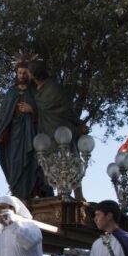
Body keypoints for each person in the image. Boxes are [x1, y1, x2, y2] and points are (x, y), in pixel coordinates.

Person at [25, 59, 87, 199]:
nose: (27, 73)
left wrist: (32, 109)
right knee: (50, 161)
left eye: (29, 71)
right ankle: (61, 192)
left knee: (68, 159)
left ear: (34, 74)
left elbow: (66, 109)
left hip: (60, 129)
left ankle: (77, 194)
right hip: (47, 130)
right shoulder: (37, 89)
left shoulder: (53, 89)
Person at [0, 59, 44, 200]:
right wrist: (1, 136)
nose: (22, 76)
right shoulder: (11, 93)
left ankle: (34, 193)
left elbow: (46, 111)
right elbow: (5, 117)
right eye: (19, 73)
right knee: (16, 165)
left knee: (33, 162)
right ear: (16, 74)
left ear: (30, 74)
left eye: (25, 73)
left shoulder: (36, 91)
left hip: (32, 132)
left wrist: (32, 110)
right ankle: (18, 195)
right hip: (15, 136)